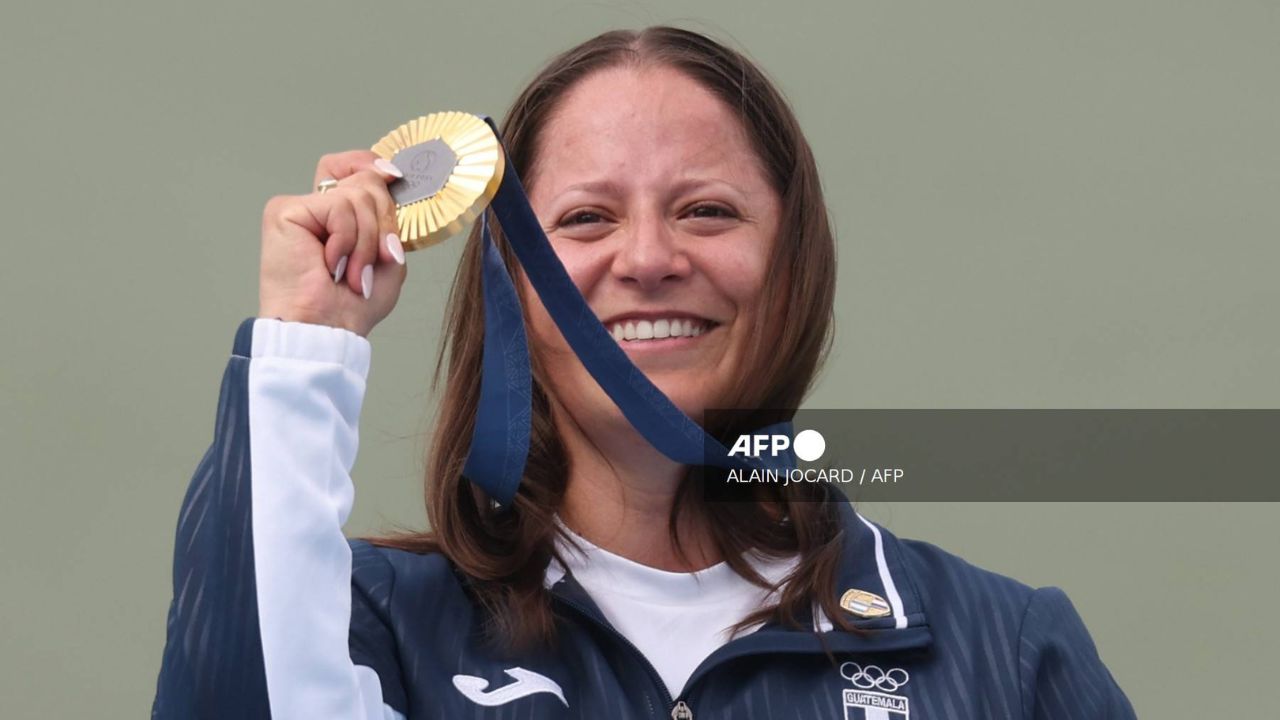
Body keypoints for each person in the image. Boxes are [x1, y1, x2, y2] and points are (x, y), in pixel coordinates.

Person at [152, 26, 1136, 720]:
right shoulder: (376, 627)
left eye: (707, 211)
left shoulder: (999, 650)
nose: (650, 259)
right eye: (584, 220)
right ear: (512, 285)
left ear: (792, 263)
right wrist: (308, 340)